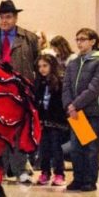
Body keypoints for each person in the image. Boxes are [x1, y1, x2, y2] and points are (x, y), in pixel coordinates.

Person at [0, 0, 39, 183]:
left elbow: (36, 63)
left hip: (20, 90)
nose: (4, 21)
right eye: (2, 17)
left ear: (15, 18)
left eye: (8, 17)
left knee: (19, 130)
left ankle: (20, 169)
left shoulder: (28, 38)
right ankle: (0, 169)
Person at [63, 28, 99, 192]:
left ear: (92, 41)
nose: (79, 42)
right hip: (75, 111)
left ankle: (89, 180)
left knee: (89, 147)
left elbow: (94, 88)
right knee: (76, 147)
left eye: (83, 39)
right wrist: (70, 106)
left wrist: (76, 105)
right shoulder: (74, 62)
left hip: (91, 110)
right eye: (77, 39)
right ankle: (78, 178)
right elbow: (66, 86)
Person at [33, 54, 67, 186]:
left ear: (52, 65)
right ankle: (45, 172)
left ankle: (59, 173)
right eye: (40, 66)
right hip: (42, 122)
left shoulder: (60, 81)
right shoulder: (38, 82)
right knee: (43, 149)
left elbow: (61, 103)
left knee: (56, 148)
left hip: (56, 122)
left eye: (45, 66)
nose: (42, 69)